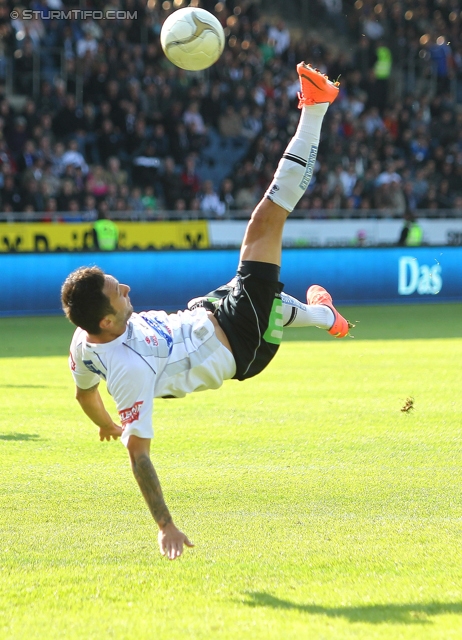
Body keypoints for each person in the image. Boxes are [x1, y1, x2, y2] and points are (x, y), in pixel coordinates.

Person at [61, 64, 351, 561]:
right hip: (239, 341)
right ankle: (316, 107)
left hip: (207, 312)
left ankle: (328, 318)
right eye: (117, 291)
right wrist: (165, 524)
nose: (126, 285)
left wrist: (101, 422)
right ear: (107, 321)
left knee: (273, 291)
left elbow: (83, 391)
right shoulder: (128, 371)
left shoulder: (85, 342)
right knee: (267, 217)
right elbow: (140, 457)